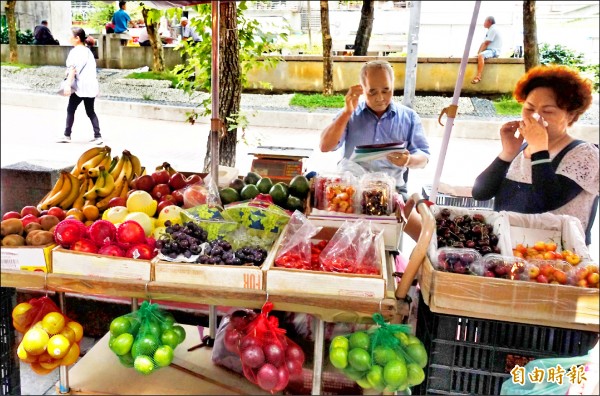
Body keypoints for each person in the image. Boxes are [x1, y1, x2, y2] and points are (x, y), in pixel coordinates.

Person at [472, 65, 598, 244]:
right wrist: (508, 152)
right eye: (529, 108)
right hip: (508, 250)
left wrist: (540, 147)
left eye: (547, 111)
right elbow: (480, 192)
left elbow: (544, 202)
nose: (536, 117)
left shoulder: (585, 154)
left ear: (570, 116)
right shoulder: (523, 149)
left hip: (558, 259)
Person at [319, 60, 430, 239]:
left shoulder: (408, 117)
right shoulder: (350, 113)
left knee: (426, 239)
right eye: (372, 92)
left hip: (392, 193)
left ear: (393, 86)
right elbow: (325, 146)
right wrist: (347, 112)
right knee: (337, 241)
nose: (380, 98)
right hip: (351, 192)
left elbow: (424, 157)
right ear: (362, 89)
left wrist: (408, 160)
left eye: (386, 90)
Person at [58, 28, 102, 145]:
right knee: (90, 111)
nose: (69, 38)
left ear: (77, 38)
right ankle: (98, 136)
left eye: (70, 36)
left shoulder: (75, 52)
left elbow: (73, 70)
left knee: (70, 109)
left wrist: (67, 85)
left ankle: (67, 135)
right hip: (91, 86)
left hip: (79, 87)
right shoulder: (88, 52)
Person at [471, 16, 502, 84]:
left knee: (481, 55)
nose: (484, 23)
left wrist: (480, 54)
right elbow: (484, 43)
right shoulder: (491, 29)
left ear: (489, 22)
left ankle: (478, 76)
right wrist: (478, 53)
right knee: (479, 55)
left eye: (485, 21)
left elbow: (487, 43)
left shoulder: (493, 29)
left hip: (493, 51)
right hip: (489, 50)